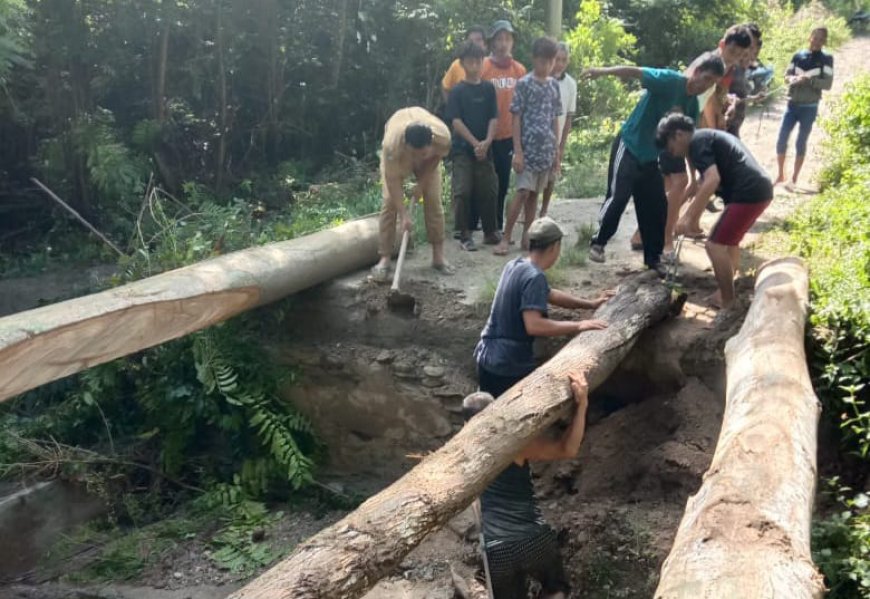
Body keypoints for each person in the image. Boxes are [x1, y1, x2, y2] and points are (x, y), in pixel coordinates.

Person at [582, 53, 726, 274]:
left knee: (656, 206)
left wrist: (694, 175)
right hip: (629, 145)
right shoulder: (669, 81)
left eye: (711, 83)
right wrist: (602, 71)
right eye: (705, 78)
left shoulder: (691, 106)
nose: (705, 85)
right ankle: (598, 243)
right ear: (696, 72)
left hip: (651, 158)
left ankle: (653, 258)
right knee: (619, 196)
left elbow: (689, 141)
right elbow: (635, 72)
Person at [462, 370, 589, 599]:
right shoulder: (514, 445)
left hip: (497, 549)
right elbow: (568, 449)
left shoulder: (459, 454)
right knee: (557, 590)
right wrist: (582, 405)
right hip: (534, 538)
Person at [475, 217, 610, 398]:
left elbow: (550, 294)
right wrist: (579, 325)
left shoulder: (515, 265)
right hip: (507, 365)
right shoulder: (535, 277)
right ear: (555, 247)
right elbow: (535, 325)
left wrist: (590, 304)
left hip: (486, 357)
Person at [660, 114, 773, 310]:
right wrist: (683, 212)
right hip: (758, 189)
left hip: (749, 192)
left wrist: (688, 217)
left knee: (714, 245)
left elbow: (712, 180)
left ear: (678, 135)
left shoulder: (697, 142)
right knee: (729, 240)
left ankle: (728, 302)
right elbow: (699, 185)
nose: (675, 154)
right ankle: (728, 288)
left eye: (671, 148)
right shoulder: (703, 140)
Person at [494, 37, 562, 256]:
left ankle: (528, 236)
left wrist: (557, 151)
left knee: (534, 195)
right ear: (534, 60)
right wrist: (518, 151)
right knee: (522, 192)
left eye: (550, 62)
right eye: (542, 61)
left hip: (546, 150)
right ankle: (506, 237)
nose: (546, 66)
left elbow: (555, 119)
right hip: (527, 150)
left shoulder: (553, 86)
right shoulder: (524, 83)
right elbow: (516, 118)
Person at [370, 107, 454, 281]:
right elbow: (392, 181)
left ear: (431, 142)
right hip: (399, 160)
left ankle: (438, 257)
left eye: (423, 151)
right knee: (389, 203)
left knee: (433, 201)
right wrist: (404, 214)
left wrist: (422, 184)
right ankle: (385, 258)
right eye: (416, 153)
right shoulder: (392, 146)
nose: (419, 156)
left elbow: (437, 157)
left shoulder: (442, 136)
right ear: (408, 146)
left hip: (430, 163)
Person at [446, 41, 500, 251]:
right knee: (462, 191)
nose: (476, 65)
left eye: (479, 60)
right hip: (462, 150)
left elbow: (494, 118)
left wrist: (486, 142)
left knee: (489, 190)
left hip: (486, 150)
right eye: (471, 61)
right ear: (462, 64)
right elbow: (456, 121)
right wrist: (475, 143)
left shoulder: (488, 89)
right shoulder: (458, 91)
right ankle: (464, 233)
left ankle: (490, 232)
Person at [482, 20, 527, 231]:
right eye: (499, 39)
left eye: (507, 39)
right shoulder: (483, 67)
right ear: (492, 42)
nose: (503, 43)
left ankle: (497, 224)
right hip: (485, 135)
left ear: (512, 42)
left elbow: (525, 104)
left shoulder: (519, 70)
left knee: (502, 183)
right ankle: (479, 223)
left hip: (509, 135)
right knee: (484, 182)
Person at [775, 26, 833, 188]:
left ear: (825, 42)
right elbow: (786, 76)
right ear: (810, 37)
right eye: (815, 37)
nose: (817, 42)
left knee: (801, 142)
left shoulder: (826, 59)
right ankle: (780, 174)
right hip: (792, 104)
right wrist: (792, 79)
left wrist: (809, 81)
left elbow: (828, 84)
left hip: (810, 107)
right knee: (782, 139)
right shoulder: (798, 56)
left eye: (821, 39)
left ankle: (793, 179)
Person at [539, 42, 578, 219]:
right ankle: (528, 210)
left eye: (564, 60)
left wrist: (561, 145)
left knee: (551, 176)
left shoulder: (570, 84)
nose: (560, 64)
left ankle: (544, 210)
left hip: (556, 135)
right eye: (557, 59)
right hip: (538, 135)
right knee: (532, 178)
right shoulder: (539, 80)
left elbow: (569, 116)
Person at [442, 26, 488, 103]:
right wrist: (451, 107)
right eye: (471, 40)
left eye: (478, 40)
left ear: (485, 45)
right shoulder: (457, 64)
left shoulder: (491, 63)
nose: (474, 43)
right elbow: (445, 87)